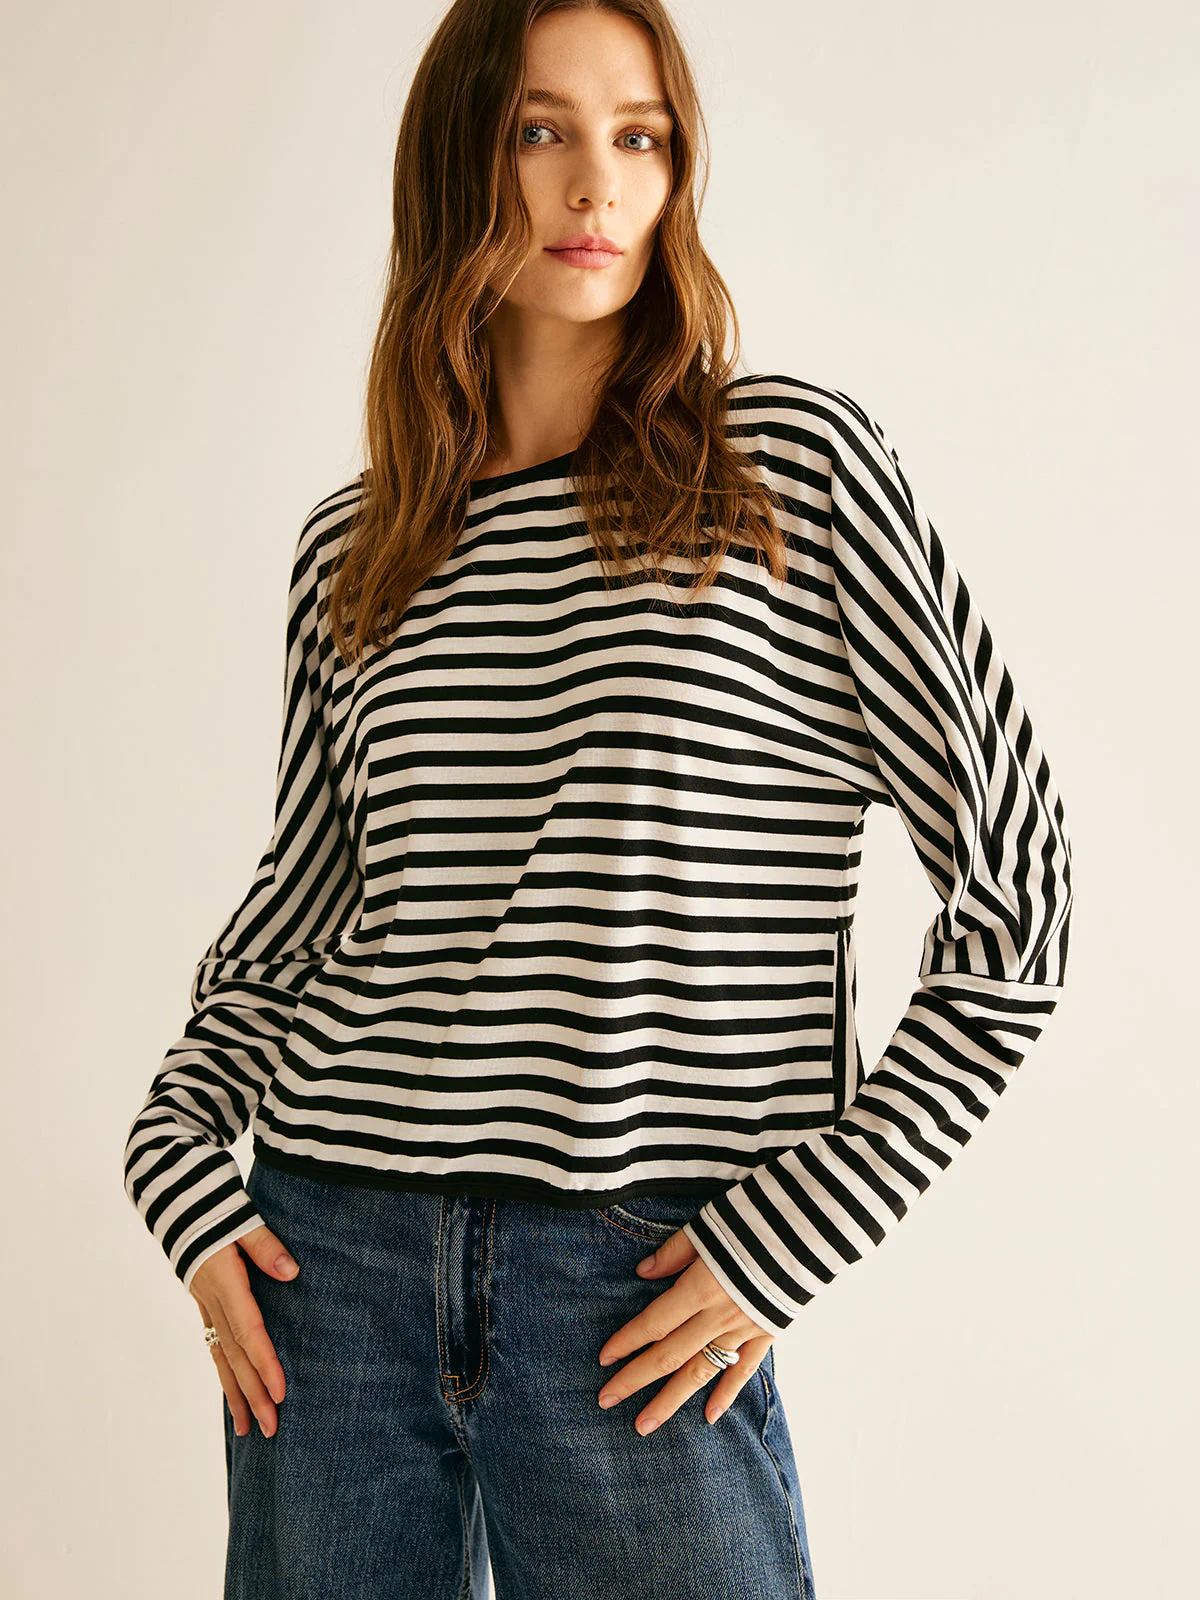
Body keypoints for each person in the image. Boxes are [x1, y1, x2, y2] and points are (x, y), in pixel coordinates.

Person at [122, 3, 1074, 1597]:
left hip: (639, 1284)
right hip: (329, 1268)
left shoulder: (787, 472)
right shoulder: (358, 548)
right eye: (541, 130)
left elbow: (1019, 892)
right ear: (459, 160)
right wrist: (175, 1158)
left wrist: (796, 1231)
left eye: (641, 136)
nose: (597, 186)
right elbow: (300, 917)